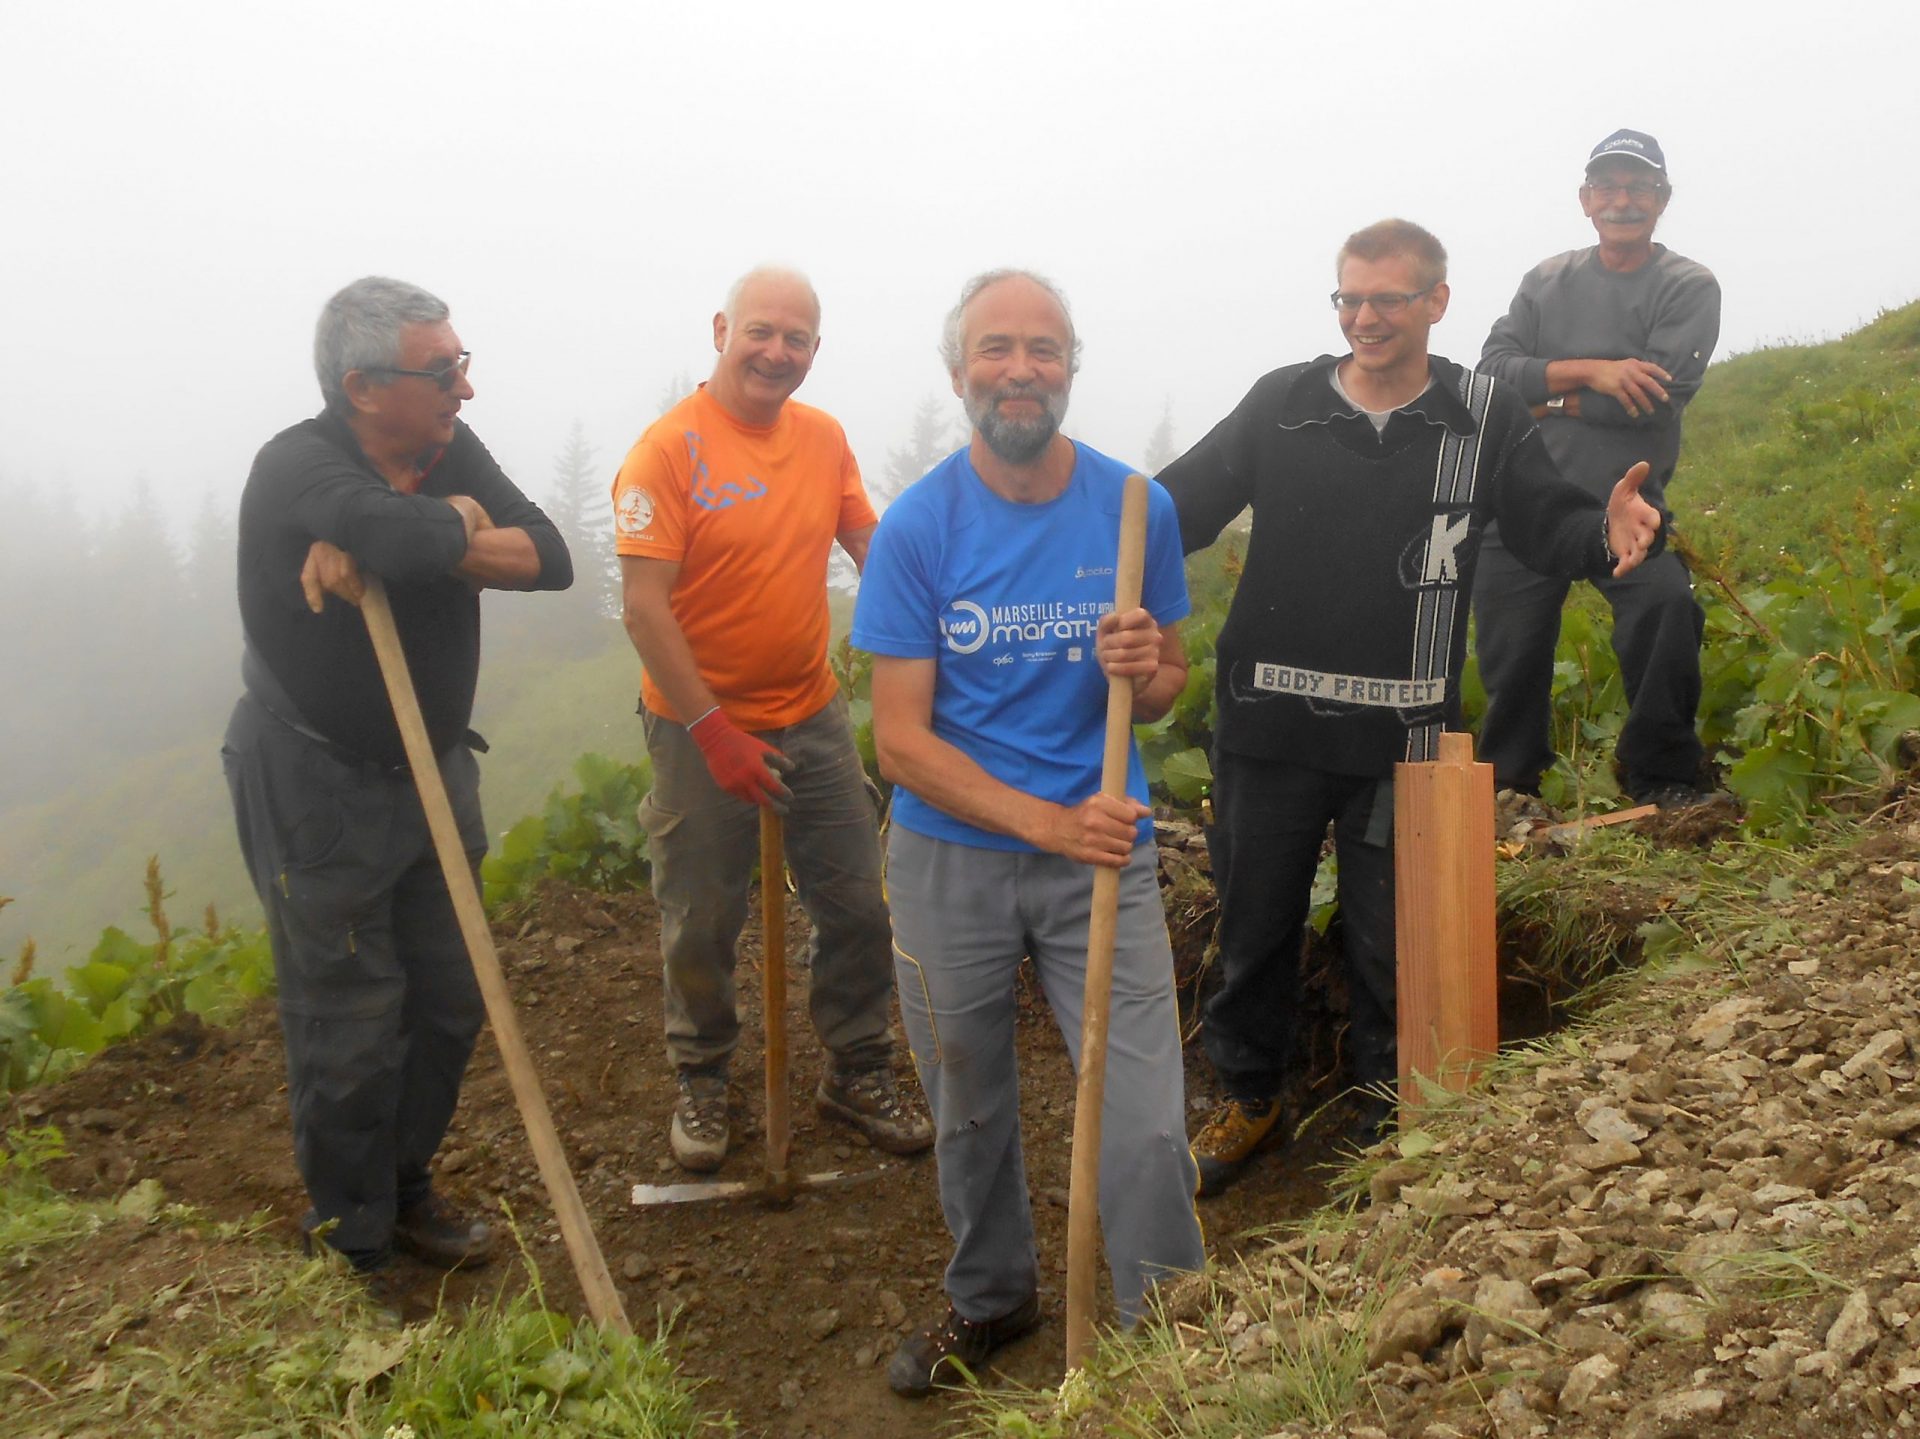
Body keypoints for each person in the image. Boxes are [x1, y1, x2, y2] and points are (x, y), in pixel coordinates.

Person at [1156, 220, 1664, 1195]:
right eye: (1349, 298)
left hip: (1407, 743)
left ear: (1436, 301)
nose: (1365, 317)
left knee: (1397, 939)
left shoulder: (1482, 414)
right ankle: (1252, 1097)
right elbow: (1180, 505)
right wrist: (1090, 526)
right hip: (1268, 728)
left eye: (1388, 298)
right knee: (1255, 929)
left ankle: (1392, 1113)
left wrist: (1604, 531)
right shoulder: (1285, 404)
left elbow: (1547, 518)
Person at [854, 269, 1206, 1397]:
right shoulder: (917, 529)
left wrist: (1150, 668)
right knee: (969, 1100)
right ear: (960, 372)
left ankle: (1169, 1323)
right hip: (955, 854)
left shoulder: (1135, 508)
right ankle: (994, 1294)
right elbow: (900, 742)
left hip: (1101, 850)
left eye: (1043, 349)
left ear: (1070, 367)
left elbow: (1167, 690)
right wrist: (1047, 821)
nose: (1021, 370)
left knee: (1146, 1118)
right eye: (996, 349)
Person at [223, 276, 573, 1274]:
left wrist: (440, 520)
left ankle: (404, 1182)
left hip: (433, 772)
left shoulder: (445, 447)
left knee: (450, 998)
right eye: (444, 370)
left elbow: (549, 556)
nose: (465, 389)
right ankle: (352, 1238)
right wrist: (446, 525)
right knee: (348, 1016)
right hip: (315, 780)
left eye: (462, 363)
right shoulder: (296, 464)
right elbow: (396, 535)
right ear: (364, 385)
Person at [613, 265, 931, 1173]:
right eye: (761, 331)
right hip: (694, 725)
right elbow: (644, 607)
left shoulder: (822, 439)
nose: (777, 351)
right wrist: (715, 733)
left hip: (812, 712)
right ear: (721, 329)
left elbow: (869, 542)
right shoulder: (666, 452)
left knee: (858, 905)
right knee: (702, 914)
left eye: (796, 339)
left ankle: (856, 1067)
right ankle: (704, 1076)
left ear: (814, 351)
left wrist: (941, 636)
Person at [1472, 129, 1722, 807]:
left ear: (1663, 199)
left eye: (1639, 186)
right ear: (1585, 199)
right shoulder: (1545, 280)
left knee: (1666, 608)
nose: (1623, 200)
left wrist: (1548, 399)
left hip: (1629, 503)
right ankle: (1509, 791)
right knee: (1510, 648)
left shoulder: (1688, 286)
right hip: (1521, 502)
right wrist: (1598, 372)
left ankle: (1662, 777)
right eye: (1608, 186)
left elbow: (1653, 401)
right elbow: (1490, 375)